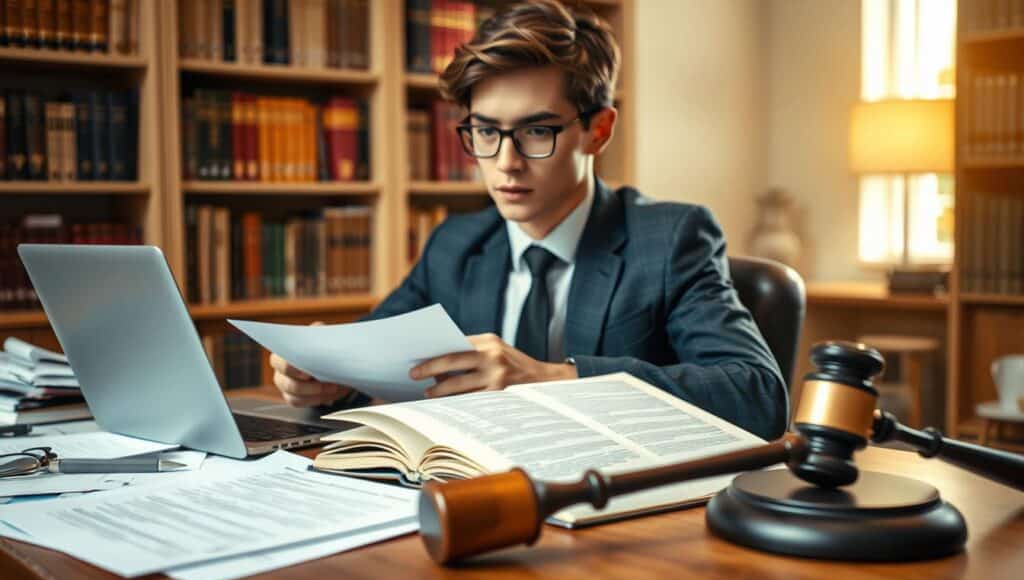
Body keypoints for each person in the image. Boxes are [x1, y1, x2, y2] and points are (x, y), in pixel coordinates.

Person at [270, 0, 787, 440]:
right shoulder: (457, 243)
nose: (505, 162)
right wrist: (328, 376)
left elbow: (757, 395)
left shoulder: (672, 239)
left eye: (537, 132)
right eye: (485, 132)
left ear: (598, 131)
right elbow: (372, 354)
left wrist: (551, 378)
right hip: (475, 500)